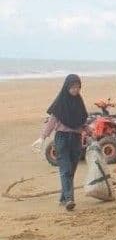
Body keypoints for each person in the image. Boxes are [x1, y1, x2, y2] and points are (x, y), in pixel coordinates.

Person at [33, 74, 88, 211]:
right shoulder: (60, 103)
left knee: (72, 170)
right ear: (67, 87)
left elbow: (82, 122)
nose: (75, 90)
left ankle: (64, 198)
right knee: (65, 170)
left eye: (78, 87)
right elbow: (52, 122)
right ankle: (69, 199)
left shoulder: (79, 103)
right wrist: (42, 137)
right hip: (62, 139)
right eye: (73, 87)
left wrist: (89, 130)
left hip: (76, 139)